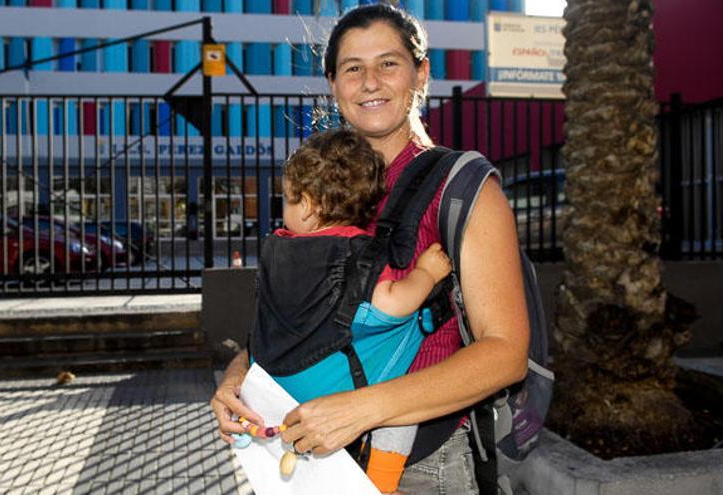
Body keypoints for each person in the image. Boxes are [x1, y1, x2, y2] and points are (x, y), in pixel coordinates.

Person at [211, 4, 530, 494]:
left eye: (389, 63)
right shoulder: (315, 186)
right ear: (334, 83)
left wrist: (359, 410)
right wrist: (239, 380)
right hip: (299, 453)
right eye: (353, 68)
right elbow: (296, 312)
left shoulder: (461, 186)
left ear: (421, 73)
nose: (370, 82)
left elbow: (505, 353)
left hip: (416, 465)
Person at [250, 127, 452, 493]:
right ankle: (382, 483)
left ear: (308, 205)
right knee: (401, 400)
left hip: (276, 381)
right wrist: (426, 272)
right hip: (333, 383)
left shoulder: (274, 250)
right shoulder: (361, 254)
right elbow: (393, 304)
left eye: (287, 199)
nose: (283, 209)